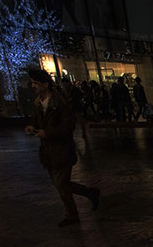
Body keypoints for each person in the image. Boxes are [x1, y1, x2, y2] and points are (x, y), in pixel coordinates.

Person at [24, 69, 100, 227]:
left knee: (61, 183)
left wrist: (48, 133)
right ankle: (87, 196)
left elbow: (68, 126)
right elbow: (35, 120)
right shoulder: (39, 102)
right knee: (61, 184)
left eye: (35, 83)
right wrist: (32, 126)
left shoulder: (58, 102)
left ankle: (73, 213)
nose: (33, 86)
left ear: (45, 84)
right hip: (48, 151)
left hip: (62, 149)